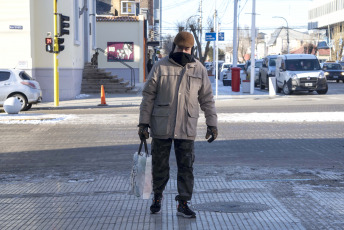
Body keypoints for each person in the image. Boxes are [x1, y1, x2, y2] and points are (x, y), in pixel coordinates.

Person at [138, 31, 218, 218]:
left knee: (186, 167)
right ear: (173, 46)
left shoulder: (199, 69)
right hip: (161, 125)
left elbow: (207, 99)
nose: (183, 51)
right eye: (180, 47)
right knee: (159, 165)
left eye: (186, 48)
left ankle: (183, 202)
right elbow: (148, 96)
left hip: (186, 126)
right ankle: (157, 197)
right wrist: (143, 123)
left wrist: (211, 124)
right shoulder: (160, 67)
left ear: (191, 49)